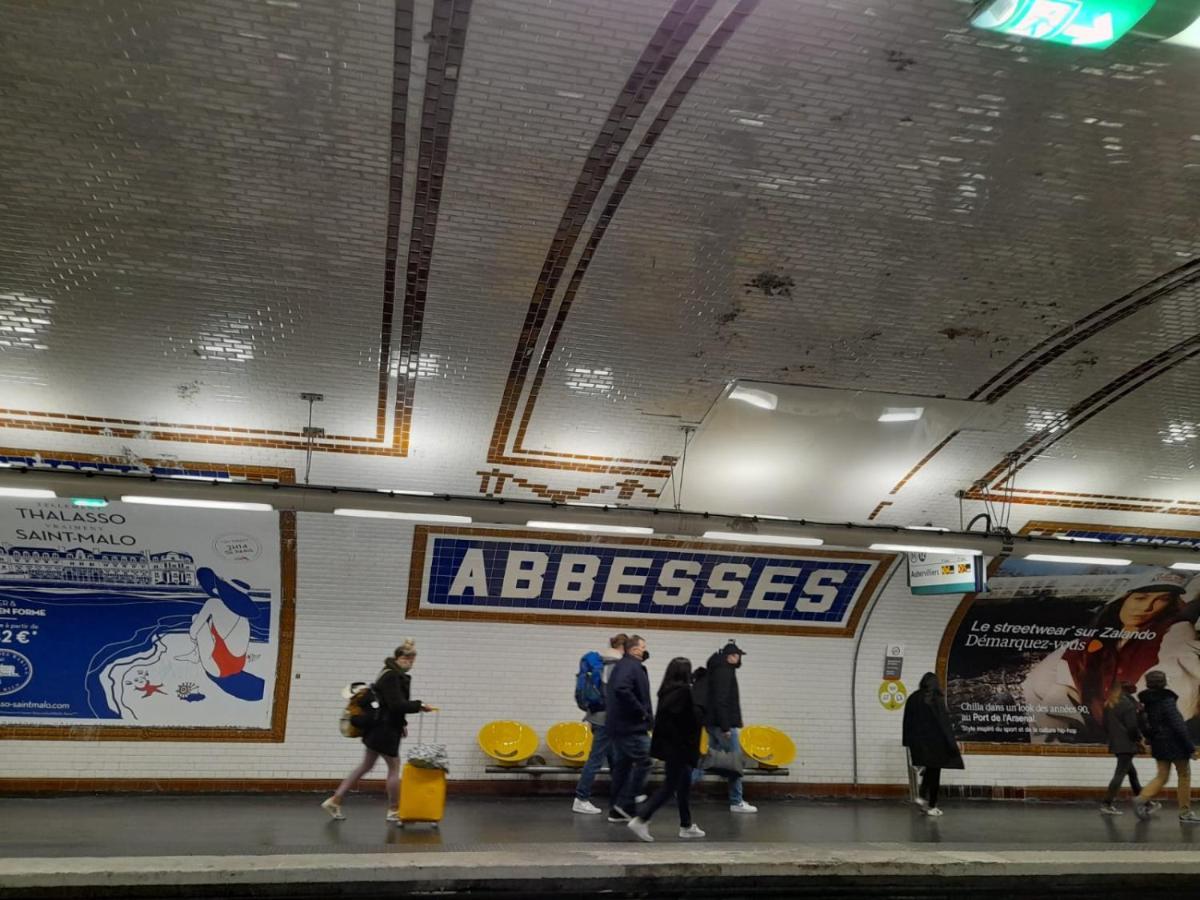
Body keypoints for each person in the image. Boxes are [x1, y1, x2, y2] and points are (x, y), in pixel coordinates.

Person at [1022, 570, 1200, 742]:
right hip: (1090, 739)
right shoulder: (1085, 646)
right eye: (1140, 598)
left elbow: (1178, 677)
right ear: (1123, 600)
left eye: (1163, 600)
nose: (1147, 607)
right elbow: (1045, 693)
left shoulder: (1175, 635)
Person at [322, 639, 433, 822]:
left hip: (377, 727)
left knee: (366, 766)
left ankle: (335, 799)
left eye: (412, 660)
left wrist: (403, 724)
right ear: (398, 657)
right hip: (385, 730)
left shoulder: (386, 672)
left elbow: (388, 704)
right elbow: (396, 704)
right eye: (407, 659)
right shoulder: (392, 676)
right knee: (393, 767)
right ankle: (394, 809)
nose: (410, 663)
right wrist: (419, 705)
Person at [627, 657, 705, 842]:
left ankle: (686, 825)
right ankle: (641, 818)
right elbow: (694, 720)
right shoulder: (685, 693)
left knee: (683, 787)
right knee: (670, 786)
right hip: (681, 748)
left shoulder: (666, 692)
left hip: (671, 748)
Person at [1134, 670, 1199, 823]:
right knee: (1184, 776)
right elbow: (1178, 726)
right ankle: (1185, 812)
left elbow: (1143, 725)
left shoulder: (1146, 703)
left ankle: (1142, 798)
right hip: (1175, 744)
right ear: (1164, 683)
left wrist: (1151, 739)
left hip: (1159, 744)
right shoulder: (1167, 700)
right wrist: (1190, 748)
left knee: (1162, 776)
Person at [572, 633, 627, 815]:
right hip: (606, 719)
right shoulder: (613, 665)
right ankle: (581, 798)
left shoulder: (602, 661)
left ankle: (621, 797)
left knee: (614, 758)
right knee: (596, 759)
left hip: (597, 716)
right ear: (623, 648)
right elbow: (614, 694)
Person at [700, 640, 757, 813]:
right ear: (730, 656)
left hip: (712, 722)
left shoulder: (716, 669)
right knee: (735, 761)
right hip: (722, 724)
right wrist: (726, 726)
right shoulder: (725, 671)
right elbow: (721, 700)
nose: (739, 659)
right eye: (737, 655)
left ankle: (679, 788)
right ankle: (736, 801)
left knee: (709, 760)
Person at [902, 671, 964, 817]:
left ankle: (922, 797)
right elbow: (944, 723)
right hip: (936, 742)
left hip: (918, 743)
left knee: (930, 770)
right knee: (934, 773)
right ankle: (931, 805)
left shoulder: (912, 698)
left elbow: (907, 722)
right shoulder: (936, 699)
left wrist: (908, 742)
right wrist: (952, 744)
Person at [605, 634, 652, 822]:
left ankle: (617, 810)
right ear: (634, 649)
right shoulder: (629, 666)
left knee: (622, 768)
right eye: (643, 646)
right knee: (646, 760)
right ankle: (625, 803)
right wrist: (641, 712)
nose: (645, 649)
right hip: (630, 726)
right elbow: (622, 689)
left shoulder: (625, 666)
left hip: (620, 726)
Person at [1099, 681, 1144, 815]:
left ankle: (1145, 801)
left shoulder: (1109, 704)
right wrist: (1138, 740)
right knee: (1120, 774)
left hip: (1116, 743)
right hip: (1127, 744)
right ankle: (1106, 803)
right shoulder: (1128, 704)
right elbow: (1132, 727)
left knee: (1132, 774)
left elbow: (1105, 726)